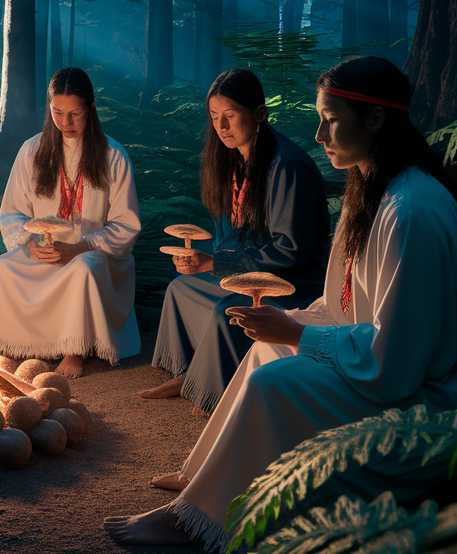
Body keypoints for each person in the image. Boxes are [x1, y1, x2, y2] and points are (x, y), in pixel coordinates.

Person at [105, 56, 457, 550]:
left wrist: (297, 332)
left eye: (331, 120)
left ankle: (202, 518)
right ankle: (204, 479)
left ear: (376, 119)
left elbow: (396, 364)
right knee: (264, 351)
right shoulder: (372, 189)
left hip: (434, 404)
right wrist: (289, 322)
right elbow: (346, 307)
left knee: (277, 378)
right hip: (389, 369)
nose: (318, 134)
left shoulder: (412, 213)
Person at [140, 69, 328, 433]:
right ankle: (193, 375)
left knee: (228, 311)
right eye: (214, 118)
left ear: (259, 113)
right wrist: (204, 261)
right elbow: (231, 233)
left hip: (289, 282)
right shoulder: (234, 161)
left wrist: (220, 263)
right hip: (248, 271)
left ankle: (218, 394)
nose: (221, 126)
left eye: (230, 115)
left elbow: (292, 249)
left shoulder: (285, 165)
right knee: (182, 289)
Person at [0, 67, 142, 379]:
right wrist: (30, 243)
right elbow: (12, 213)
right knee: (1, 267)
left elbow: (126, 224)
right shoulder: (32, 151)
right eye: (57, 112)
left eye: (75, 113)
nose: (66, 123)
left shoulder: (113, 155)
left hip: (94, 253)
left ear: (90, 109)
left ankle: (73, 351)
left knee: (81, 270)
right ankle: (10, 346)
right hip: (43, 249)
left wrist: (80, 246)